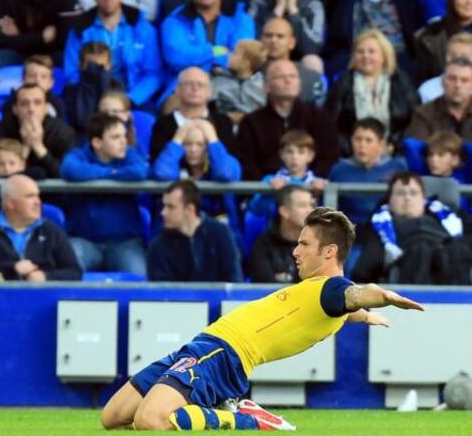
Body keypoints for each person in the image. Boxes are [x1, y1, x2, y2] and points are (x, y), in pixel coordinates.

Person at [100, 206, 425, 431]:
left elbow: (354, 294)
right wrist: (366, 316)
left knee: (150, 421)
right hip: (201, 347)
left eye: (303, 244)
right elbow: (348, 308)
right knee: (112, 417)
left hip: (222, 355)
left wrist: (382, 297)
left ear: (329, 252)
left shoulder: (332, 289)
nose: (295, 251)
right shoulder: (327, 299)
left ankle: (245, 418)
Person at [351, 171, 472, 284]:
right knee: (421, 250)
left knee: (457, 250)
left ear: (423, 198)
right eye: (400, 193)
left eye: (413, 193)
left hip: (450, 258)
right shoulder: (380, 223)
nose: (407, 198)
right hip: (409, 263)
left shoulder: (449, 215)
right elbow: (365, 268)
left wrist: (450, 247)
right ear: (390, 200)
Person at [61, 112, 149, 276]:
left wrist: (97, 175)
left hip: (125, 244)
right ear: (97, 142)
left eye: (124, 136)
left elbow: (139, 172)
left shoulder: (129, 154)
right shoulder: (79, 155)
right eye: (115, 137)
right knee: (68, 270)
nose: (124, 141)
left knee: (139, 278)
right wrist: (114, 173)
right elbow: (69, 169)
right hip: (84, 241)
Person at [64, 0, 162, 108]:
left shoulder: (142, 27)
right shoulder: (80, 29)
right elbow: (72, 73)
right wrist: (94, 98)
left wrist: (130, 99)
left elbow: (154, 74)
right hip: (92, 101)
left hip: (134, 100)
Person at [237, 60, 340, 182]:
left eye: (293, 76)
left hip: (312, 192)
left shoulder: (319, 117)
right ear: (266, 87)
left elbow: (330, 158)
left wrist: (310, 182)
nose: (288, 81)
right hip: (267, 193)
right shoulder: (251, 123)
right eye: (281, 77)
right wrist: (268, 183)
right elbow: (246, 165)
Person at [160, 0, 256, 91]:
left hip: (233, 88)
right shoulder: (175, 21)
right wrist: (216, 51)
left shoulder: (240, 19)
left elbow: (242, 58)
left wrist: (199, 59)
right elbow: (177, 57)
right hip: (184, 88)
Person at [326, 29, 420, 153]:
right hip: (352, 154)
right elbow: (330, 125)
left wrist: (394, 147)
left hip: (394, 153)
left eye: (371, 51)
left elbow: (414, 122)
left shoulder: (401, 83)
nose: (365, 56)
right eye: (360, 52)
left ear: (384, 56)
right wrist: (352, 149)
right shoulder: (342, 84)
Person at [405, 56, 472, 156]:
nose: (457, 85)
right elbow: (418, 148)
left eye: (464, 80)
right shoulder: (423, 112)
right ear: (442, 82)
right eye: (452, 79)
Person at [147, 180, 243, 283]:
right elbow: (161, 293)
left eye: (170, 207)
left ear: (189, 209)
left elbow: (234, 281)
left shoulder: (220, 234)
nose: (163, 213)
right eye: (164, 206)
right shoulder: (158, 245)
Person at [0, 174, 82, 281]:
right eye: (30, 196)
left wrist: (45, 276)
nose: (38, 202)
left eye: (38, 196)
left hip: (44, 295)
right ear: (10, 203)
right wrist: (12, 268)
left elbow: (74, 272)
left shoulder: (51, 230)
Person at [327, 118, 409, 226]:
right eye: (358, 139)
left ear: (381, 144)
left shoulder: (397, 167)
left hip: (387, 228)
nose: (362, 145)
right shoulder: (339, 170)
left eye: (368, 140)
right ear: (351, 140)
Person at [148, 67, 237, 162]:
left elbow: (229, 169)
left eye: (201, 85)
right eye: (188, 84)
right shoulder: (162, 125)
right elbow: (159, 168)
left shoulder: (224, 122)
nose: (195, 88)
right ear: (177, 90)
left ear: (210, 91)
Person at [0, 83, 76, 179]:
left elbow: (67, 173)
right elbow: (1, 172)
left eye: (37, 103)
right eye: (24, 104)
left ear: (46, 108)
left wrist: (39, 148)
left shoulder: (62, 132)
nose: (31, 109)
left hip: (54, 193)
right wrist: (25, 149)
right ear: (15, 109)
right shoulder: (0, 130)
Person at [246, 128, 325, 218]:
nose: (294, 157)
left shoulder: (317, 183)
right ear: (281, 154)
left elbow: (327, 216)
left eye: (301, 152)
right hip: (278, 230)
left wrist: (317, 195)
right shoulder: (271, 180)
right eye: (289, 152)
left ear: (310, 156)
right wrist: (270, 193)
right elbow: (255, 209)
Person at [248, 184, 313, 283]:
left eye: (311, 205)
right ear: (284, 211)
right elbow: (264, 285)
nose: (310, 210)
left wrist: (284, 278)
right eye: (302, 205)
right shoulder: (263, 245)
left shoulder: (318, 245)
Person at [418, 33, 472, 108]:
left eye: (464, 57)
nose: (457, 60)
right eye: (452, 55)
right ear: (445, 57)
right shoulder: (427, 89)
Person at [210, 39, 267, 125]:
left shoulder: (262, 84)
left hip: (252, 125)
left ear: (246, 64)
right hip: (222, 124)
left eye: (234, 53)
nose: (229, 55)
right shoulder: (219, 78)